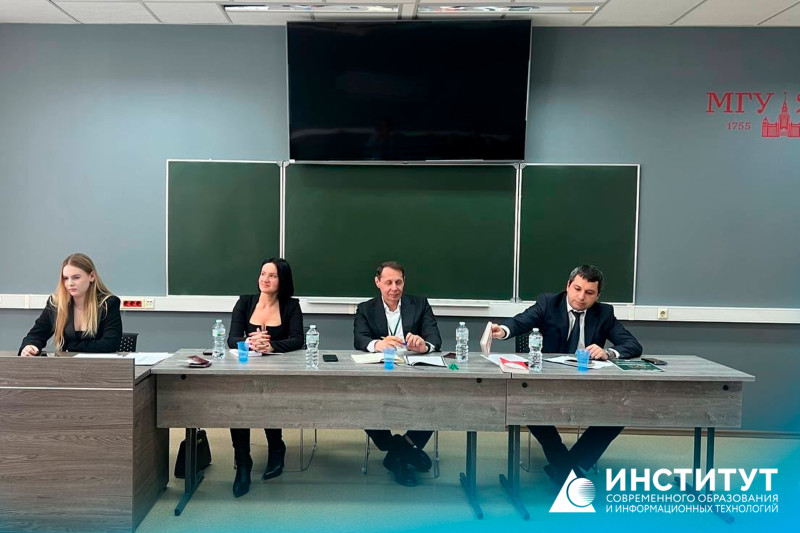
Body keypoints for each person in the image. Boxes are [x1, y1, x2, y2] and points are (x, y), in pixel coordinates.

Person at [490, 264, 642, 486]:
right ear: (568, 286)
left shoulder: (604, 313)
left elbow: (633, 344)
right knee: (528, 407)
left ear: (597, 296)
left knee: (620, 412)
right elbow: (521, 321)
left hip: (588, 385)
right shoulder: (548, 303)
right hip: (548, 383)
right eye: (577, 289)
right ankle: (565, 465)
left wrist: (608, 352)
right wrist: (503, 330)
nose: (581, 297)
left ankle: (564, 465)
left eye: (589, 293)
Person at [353, 261, 442, 487]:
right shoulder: (365, 308)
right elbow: (359, 339)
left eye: (399, 282)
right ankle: (400, 450)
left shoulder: (420, 305)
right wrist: (378, 344)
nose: (394, 288)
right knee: (361, 402)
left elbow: (435, 339)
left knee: (438, 401)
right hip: (380, 373)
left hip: (414, 373)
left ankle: (398, 454)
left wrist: (424, 346)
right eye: (389, 282)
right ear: (378, 282)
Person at [226, 258, 304, 498]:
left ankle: (276, 448)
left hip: (277, 371)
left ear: (282, 280)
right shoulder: (245, 302)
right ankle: (243, 461)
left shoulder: (291, 306)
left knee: (269, 398)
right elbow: (231, 339)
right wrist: (249, 342)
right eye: (263, 274)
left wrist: (271, 346)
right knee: (238, 403)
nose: (265, 279)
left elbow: (298, 339)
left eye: (272, 275)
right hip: (245, 369)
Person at [19, 253, 122, 356]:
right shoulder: (56, 303)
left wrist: (72, 346)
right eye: (65, 278)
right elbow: (36, 335)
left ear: (91, 276)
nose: (70, 283)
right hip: (67, 364)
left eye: (76, 277)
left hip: (100, 364)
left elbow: (110, 344)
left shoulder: (108, 303)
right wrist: (30, 346)